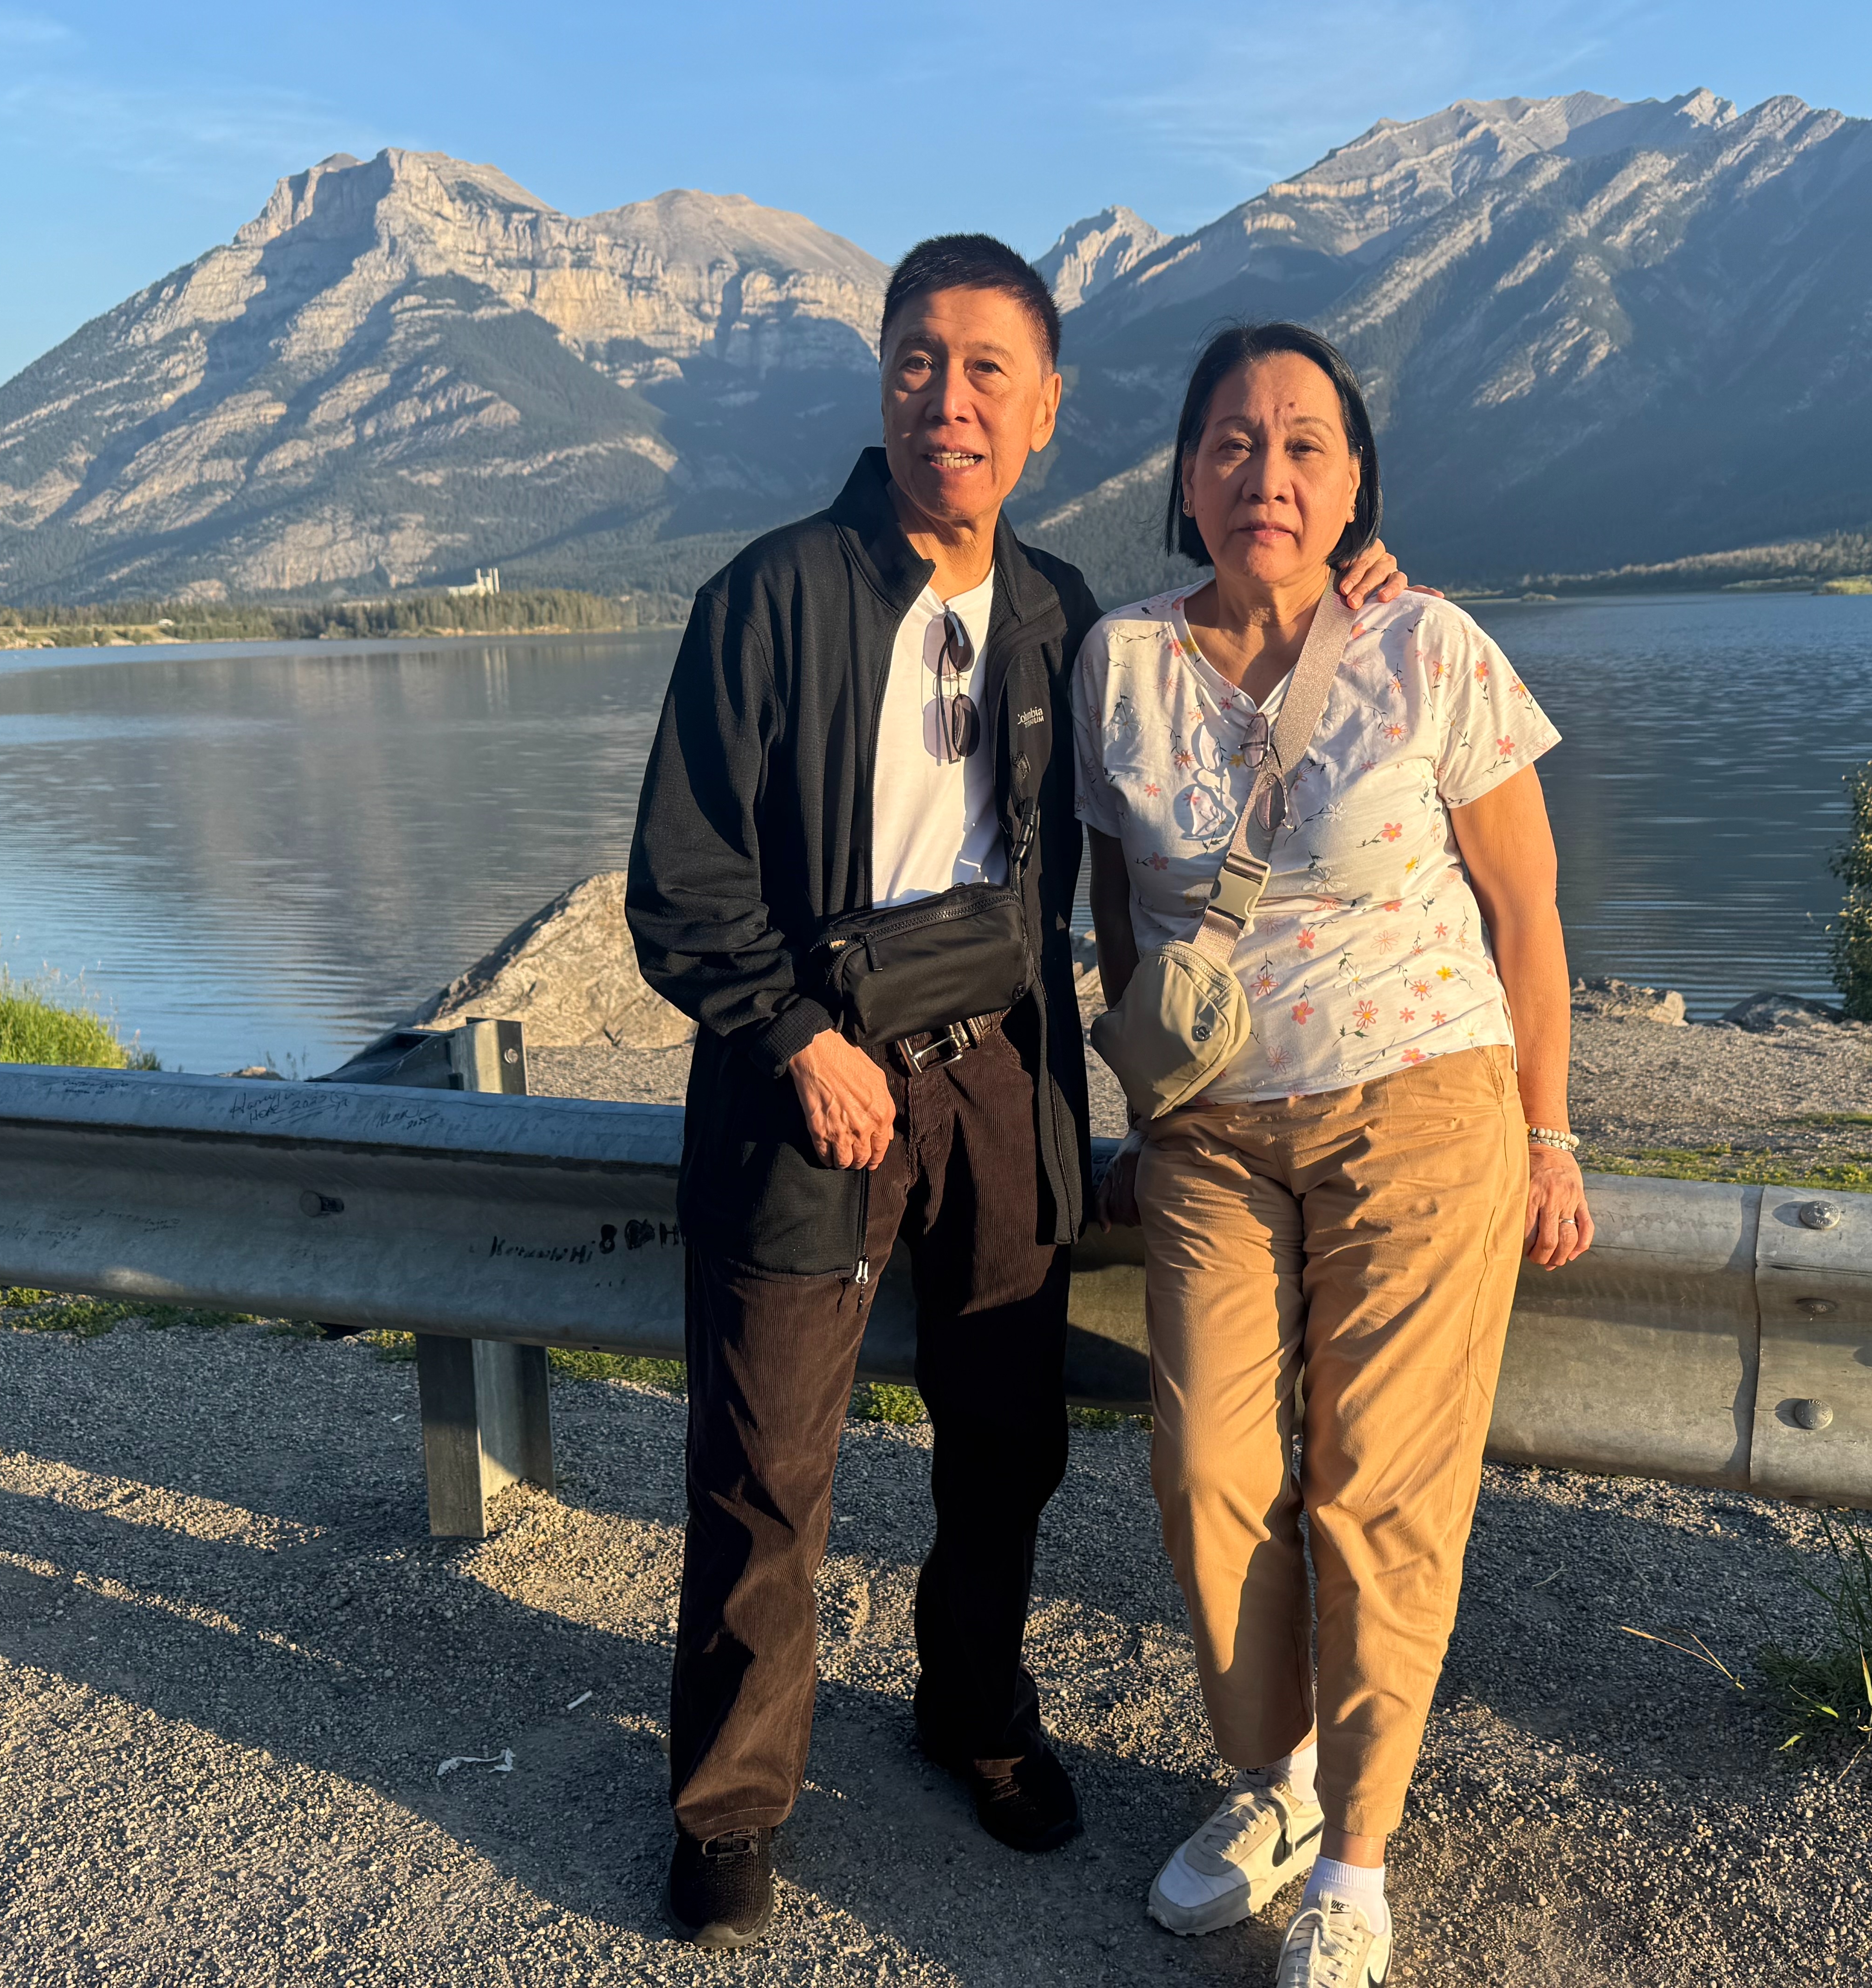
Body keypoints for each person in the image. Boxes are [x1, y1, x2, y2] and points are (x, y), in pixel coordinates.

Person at [627, 240, 1415, 1949]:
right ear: (882, 382)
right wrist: (796, 1037)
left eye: (991, 369)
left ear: (1047, 411)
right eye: (920, 361)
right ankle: (731, 1802)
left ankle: (973, 1708)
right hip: (809, 1075)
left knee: (1007, 1439)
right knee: (768, 1461)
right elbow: (680, 885)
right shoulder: (767, 597)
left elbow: (1235, 663)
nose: (951, 399)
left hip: (1002, 1073)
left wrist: (1352, 578)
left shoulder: (1069, 616)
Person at [1076, 323, 1595, 1988]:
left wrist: (1548, 1130)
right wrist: (1146, 1100)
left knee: (1379, 1487)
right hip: (1212, 1134)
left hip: (1422, 1100)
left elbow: (1528, 912)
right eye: (1233, 440)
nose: (1269, 473)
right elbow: (1120, 913)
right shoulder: (1119, 661)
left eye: (1306, 443)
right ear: (1184, 474)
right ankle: (1276, 1781)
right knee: (1209, 1469)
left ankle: (1356, 1861)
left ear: (1356, 478)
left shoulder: (1428, 643)